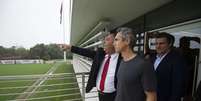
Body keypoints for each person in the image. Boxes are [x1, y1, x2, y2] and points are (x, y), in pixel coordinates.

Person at [63, 32, 122, 101]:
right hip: (100, 94)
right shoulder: (100, 54)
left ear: (115, 42)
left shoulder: (122, 59)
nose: (104, 42)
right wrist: (70, 47)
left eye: (107, 39)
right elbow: (85, 52)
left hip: (115, 96)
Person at [113, 27, 157, 101]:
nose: (114, 43)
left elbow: (151, 97)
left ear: (127, 41)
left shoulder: (143, 65)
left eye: (116, 40)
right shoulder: (122, 62)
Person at [150, 32, 186, 101]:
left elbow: (178, 86)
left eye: (161, 43)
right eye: (156, 43)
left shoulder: (177, 60)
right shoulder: (152, 58)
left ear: (169, 44)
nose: (158, 46)